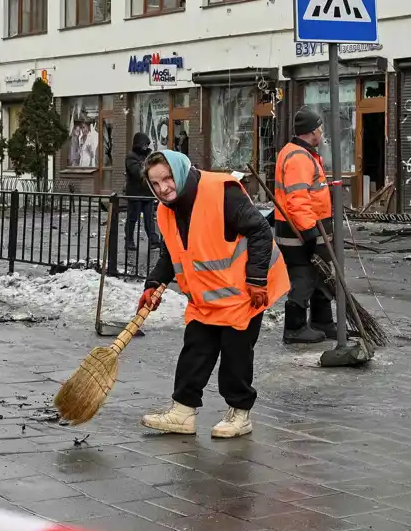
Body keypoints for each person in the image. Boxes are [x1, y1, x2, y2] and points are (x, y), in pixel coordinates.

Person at [139, 149, 288, 438]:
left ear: (180, 172)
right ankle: (182, 412)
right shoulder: (166, 210)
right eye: (155, 183)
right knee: (195, 351)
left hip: (244, 292)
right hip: (206, 297)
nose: (163, 188)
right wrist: (153, 283)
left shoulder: (221, 191)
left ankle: (240, 413)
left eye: (167, 179)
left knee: (235, 356)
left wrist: (257, 279)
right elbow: (172, 252)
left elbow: (259, 230)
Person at [272, 107, 336, 344]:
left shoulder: (301, 153)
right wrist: (309, 232)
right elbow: (297, 200)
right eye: (319, 128)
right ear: (311, 131)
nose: (321, 132)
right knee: (304, 277)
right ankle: (295, 327)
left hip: (310, 227)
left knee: (321, 275)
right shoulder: (298, 157)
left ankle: (322, 322)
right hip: (300, 231)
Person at [123, 132, 160, 252]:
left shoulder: (149, 156)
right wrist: (148, 168)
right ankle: (129, 241)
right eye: (143, 144)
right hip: (135, 193)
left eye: (146, 144)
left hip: (147, 193)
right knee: (132, 218)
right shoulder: (131, 157)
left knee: (149, 218)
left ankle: (154, 241)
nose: (145, 147)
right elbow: (137, 173)